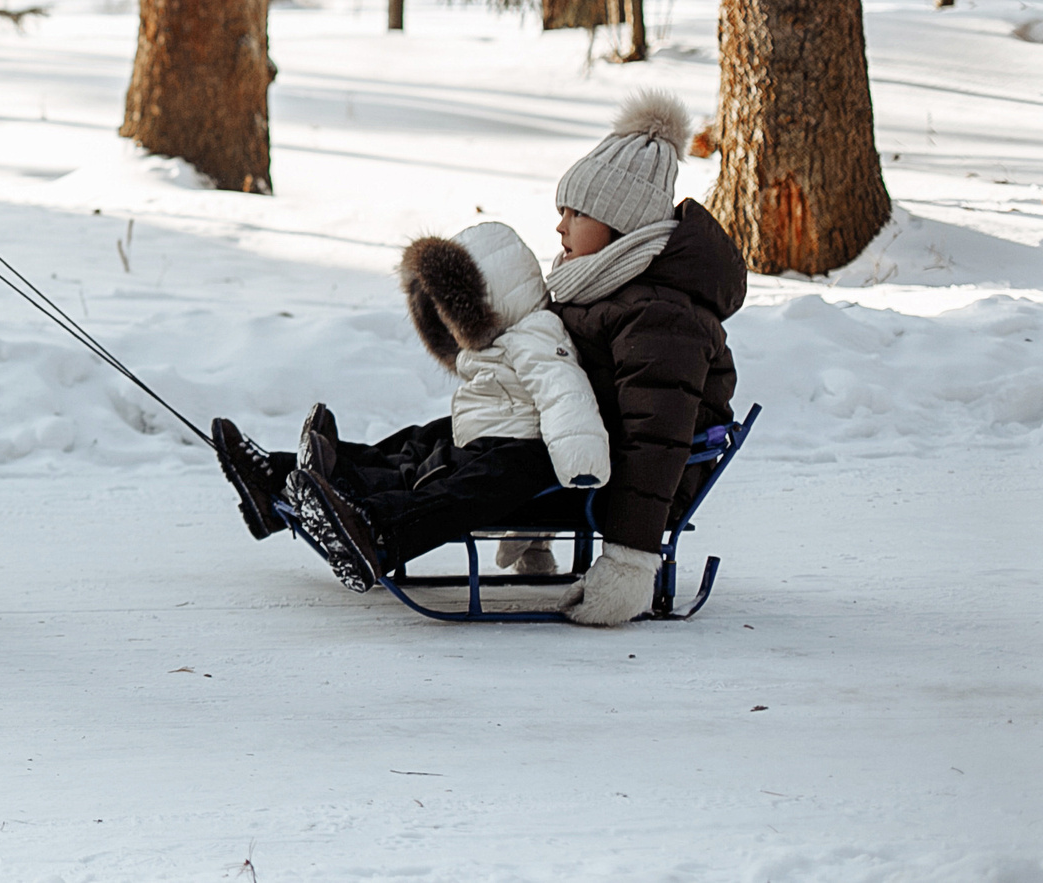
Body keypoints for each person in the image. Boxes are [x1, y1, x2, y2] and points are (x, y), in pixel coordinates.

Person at [212, 221, 611, 592]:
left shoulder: (538, 332)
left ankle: (374, 529)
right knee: (417, 446)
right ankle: (287, 476)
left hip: (518, 451)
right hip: (485, 439)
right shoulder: (501, 339)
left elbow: (565, 392)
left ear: (490, 297)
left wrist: (583, 460)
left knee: (452, 481)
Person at [534, 91, 744, 626]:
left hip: (627, 481)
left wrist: (628, 562)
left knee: (480, 466)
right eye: (562, 211)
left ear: (621, 225)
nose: (561, 227)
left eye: (577, 213)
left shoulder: (660, 316)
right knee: (452, 440)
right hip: (586, 454)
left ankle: (378, 518)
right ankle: (343, 480)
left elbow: (656, 440)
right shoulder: (604, 290)